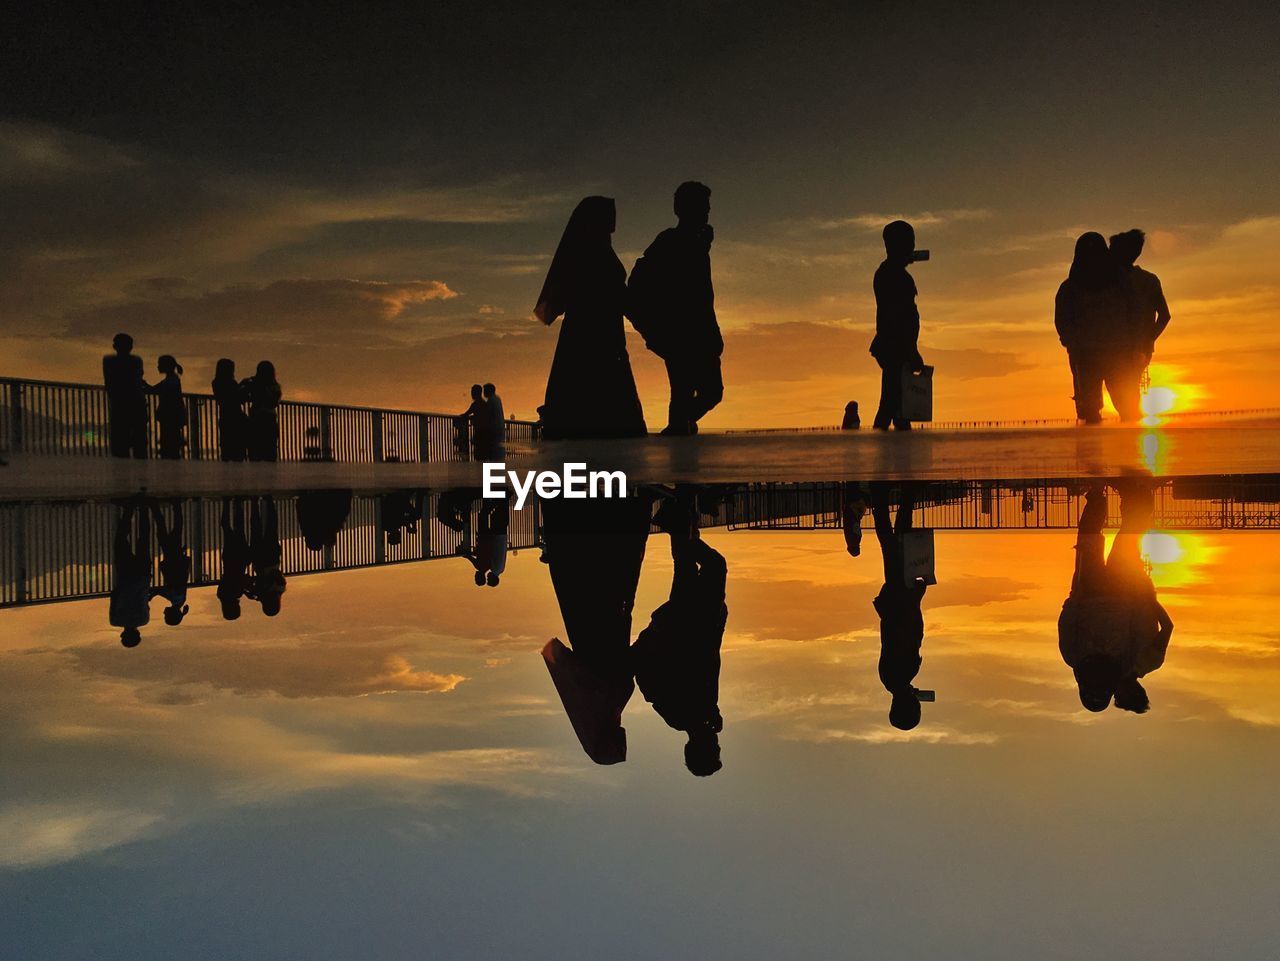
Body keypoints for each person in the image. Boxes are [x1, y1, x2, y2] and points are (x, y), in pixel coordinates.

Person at [540, 497, 651, 764]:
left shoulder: (605, 695)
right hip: (591, 616)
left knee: (607, 563)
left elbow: (626, 660)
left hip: (610, 613)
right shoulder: (592, 698)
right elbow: (559, 656)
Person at [632, 489, 728, 776]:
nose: (718, 743)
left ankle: (679, 520)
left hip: (687, 625)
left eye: (715, 749)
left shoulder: (680, 716)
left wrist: (656, 634)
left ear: (702, 747)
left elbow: (648, 678)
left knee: (708, 566)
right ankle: (679, 520)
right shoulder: (701, 717)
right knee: (692, 566)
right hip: (700, 624)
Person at [535, 196, 647, 439]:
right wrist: (649, 323)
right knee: (609, 412)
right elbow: (618, 295)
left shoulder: (588, 252)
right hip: (601, 342)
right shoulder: (597, 254)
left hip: (585, 340)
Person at [1059, 481, 1173, 713]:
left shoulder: (1078, 658)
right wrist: (1143, 598)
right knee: (1118, 540)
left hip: (1094, 591)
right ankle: (1131, 496)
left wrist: (1074, 600)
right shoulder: (1129, 662)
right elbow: (1141, 628)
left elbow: (1067, 624)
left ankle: (1101, 495)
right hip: (1112, 592)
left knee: (1094, 539)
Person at [627, 181, 723, 435]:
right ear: (684, 210)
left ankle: (679, 429)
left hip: (701, 334)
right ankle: (678, 434)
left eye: (708, 208)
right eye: (703, 208)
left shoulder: (696, 242)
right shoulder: (670, 241)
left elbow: (702, 293)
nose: (707, 213)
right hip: (681, 335)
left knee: (709, 392)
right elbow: (640, 279)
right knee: (687, 392)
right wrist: (655, 325)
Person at [1055, 232, 1139, 423]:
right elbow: (1062, 321)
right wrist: (1072, 342)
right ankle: (1094, 451)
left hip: (1116, 353)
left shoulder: (1121, 283)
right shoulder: (1069, 288)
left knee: (1127, 407)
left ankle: (1131, 450)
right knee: (1090, 409)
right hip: (1087, 356)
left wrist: (1133, 343)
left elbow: (1133, 312)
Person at [871, 483, 929, 730]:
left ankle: (895, 496)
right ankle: (886, 498)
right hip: (895, 601)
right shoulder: (890, 679)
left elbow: (906, 631)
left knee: (897, 542)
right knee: (892, 543)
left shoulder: (902, 674)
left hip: (900, 598)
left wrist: (915, 597)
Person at [870, 221, 925, 430]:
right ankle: (886, 452)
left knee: (898, 405)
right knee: (893, 404)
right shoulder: (892, 275)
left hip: (894, 348)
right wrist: (911, 350)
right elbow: (897, 318)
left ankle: (896, 455)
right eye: (909, 244)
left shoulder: (892, 273)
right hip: (895, 349)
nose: (912, 249)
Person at [1110, 229, 1172, 363]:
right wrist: (1147, 340)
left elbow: (1165, 316)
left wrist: (1147, 340)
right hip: (1140, 350)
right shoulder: (1149, 280)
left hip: (1114, 349)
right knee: (1130, 383)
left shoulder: (1108, 280)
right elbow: (1165, 315)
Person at [109, 499, 151, 646]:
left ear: (138, 633)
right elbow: (114, 598)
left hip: (143, 576)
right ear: (123, 635)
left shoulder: (144, 620)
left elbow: (145, 603)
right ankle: (128, 509)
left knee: (144, 540)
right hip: (125, 577)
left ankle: (144, 508)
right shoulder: (115, 621)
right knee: (120, 540)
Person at [102, 333, 148, 458]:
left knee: (120, 442)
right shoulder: (137, 361)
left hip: (119, 404)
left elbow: (109, 382)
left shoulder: (108, 361)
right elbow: (138, 377)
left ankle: (120, 473)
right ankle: (141, 473)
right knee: (139, 442)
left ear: (114, 346)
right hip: (137, 403)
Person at [150, 499, 190, 626]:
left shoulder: (179, 601)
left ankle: (176, 506)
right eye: (166, 615)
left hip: (176, 559)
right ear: (171, 614)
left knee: (175, 531)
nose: (163, 613)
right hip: (173, 559)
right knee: (163, 532)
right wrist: (151, 595)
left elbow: (164, 591)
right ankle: (155, 506)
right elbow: (164, 590)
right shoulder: (176, 599)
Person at [248, 497, 286, 616]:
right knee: (256, 529)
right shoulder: (263, 592)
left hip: (272, 557)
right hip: (259, 560)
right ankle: (255, 504)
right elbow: (255, 580)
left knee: (271, 528)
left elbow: (277, 574)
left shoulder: (280, 588)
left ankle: (269, 502)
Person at [217, 497, 251, 620]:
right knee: (226, 528)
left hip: (241, 558)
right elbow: (225, 579)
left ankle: (238, 503)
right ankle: (226, 503)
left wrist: (247, 591)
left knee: (239, 527)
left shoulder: (237, 593)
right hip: (229, 558)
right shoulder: (222, 595)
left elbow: (245, 578)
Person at [244, 360, 282, 461]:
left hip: (256, 419)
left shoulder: (254, 384)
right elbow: (274, 403)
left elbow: (245, 395)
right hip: (269, 420)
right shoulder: (276, 387)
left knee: (255, 453)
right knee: (270, 452)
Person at [212, 358, 248, 462]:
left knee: (226, 448)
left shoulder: (216, 382)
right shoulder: (231, 383)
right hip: (236, 418)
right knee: (238, 450)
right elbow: (236, 397)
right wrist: (243, 386)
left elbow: (227, 396)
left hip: (224, 417)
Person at [152, 354, 187, 460]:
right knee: (171, 442)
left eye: (160, 365)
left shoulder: (171, 380)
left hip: (170, 417)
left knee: (169, 442)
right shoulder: (172, 379)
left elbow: (156, 390)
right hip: (172, 417)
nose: (158, 367)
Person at [477, 382, 505, 460]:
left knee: (494, 451)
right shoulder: (497, 399)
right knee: (498, 451)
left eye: (485, 390)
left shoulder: (491, 401)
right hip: (499, 428)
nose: (484, 393)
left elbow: (487, 415)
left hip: (493, 430)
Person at [456, 384, 486, 458]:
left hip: (480, 431)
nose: (471, 394)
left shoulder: (476, 404)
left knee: (479, 452)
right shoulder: (484, 403)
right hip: (485, 431)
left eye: (473, 392)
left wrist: (460, 417)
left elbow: (466, 414)